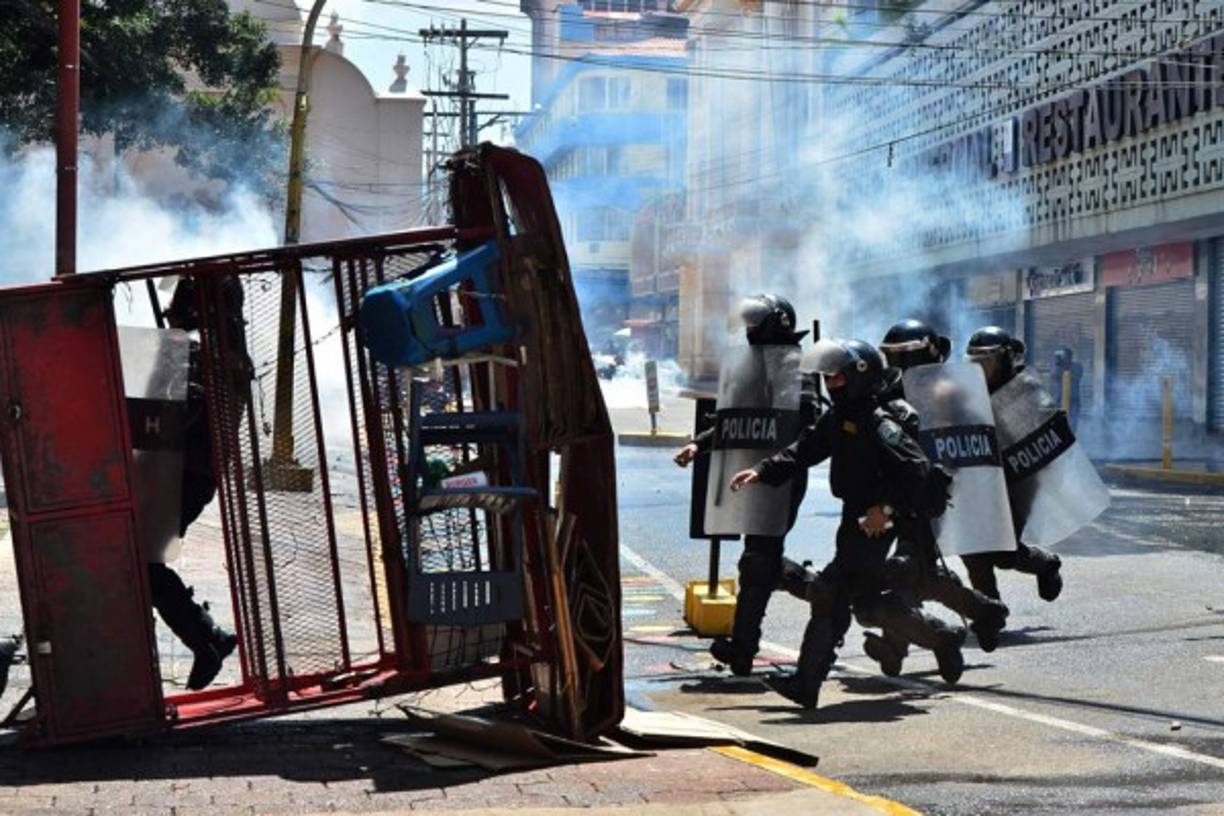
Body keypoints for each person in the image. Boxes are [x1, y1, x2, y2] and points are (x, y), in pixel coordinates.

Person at [729, 339, 964, 708]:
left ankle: (806, 683)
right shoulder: (840, 418)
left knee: (829, 591)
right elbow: (805, 449)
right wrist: (761, 470)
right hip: (855, 517)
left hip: (878, 523)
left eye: (837, 377)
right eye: (827, 378)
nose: (830, 384)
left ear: (860, 377)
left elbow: (918, 473)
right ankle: (941, 637)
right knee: (867, 604)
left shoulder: (879, 422)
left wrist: (885, 510)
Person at [674, 294, 816, 676]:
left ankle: (742, 649)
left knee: (758, 561)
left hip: (780, 476)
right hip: (749, 470)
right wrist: (699, 444)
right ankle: (821, 591)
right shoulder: (751, 365)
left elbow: (809, 429)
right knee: (761, 562)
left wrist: (773, 464)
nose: (750, 331)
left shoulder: (795, 367)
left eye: (756, 324)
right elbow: (736, 419)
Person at [861, 320, 1010, 675]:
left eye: (902, 356)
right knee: (923, 576)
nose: (895, 365)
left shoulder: (950, 392)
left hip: (930, 494)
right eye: (890, 356)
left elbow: (970, 439)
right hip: (895, 492)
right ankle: (986, 612)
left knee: (905, 570)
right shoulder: (889, 392)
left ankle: (901, 646)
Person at [148, 276, 252, 691]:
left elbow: (177, 414)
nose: (170, 313)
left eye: (177, 306)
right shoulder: (227, 353)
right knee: (143, 561)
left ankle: (205, 639)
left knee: (140, 563)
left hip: (181, 475)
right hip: (191, 476)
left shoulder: (196, 351)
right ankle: (208, 637)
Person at [960, 326, 1063, 606]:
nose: (981, 367)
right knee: (971, 545)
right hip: (979, 477)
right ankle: (989, 610)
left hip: (1019, 479)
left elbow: (1048, 428)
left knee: (1003, 552)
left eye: (987, 360)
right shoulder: (968, 392)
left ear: (1004, 359)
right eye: (975, 361)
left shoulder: (1026, 388)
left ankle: (1045, 564)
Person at [1051, 346, 1083, 431]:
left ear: (1071, 356)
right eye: (1064, 356)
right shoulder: (1057, 366)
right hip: (1059, 400)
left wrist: (1064, 366)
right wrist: (1057, 364)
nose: (1065, 358)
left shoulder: (1077, 366)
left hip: (1073, 400)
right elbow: (1054, 377)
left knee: (1073, 423)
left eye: (1067, 356)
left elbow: (1077, 376)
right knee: (1059, 424)